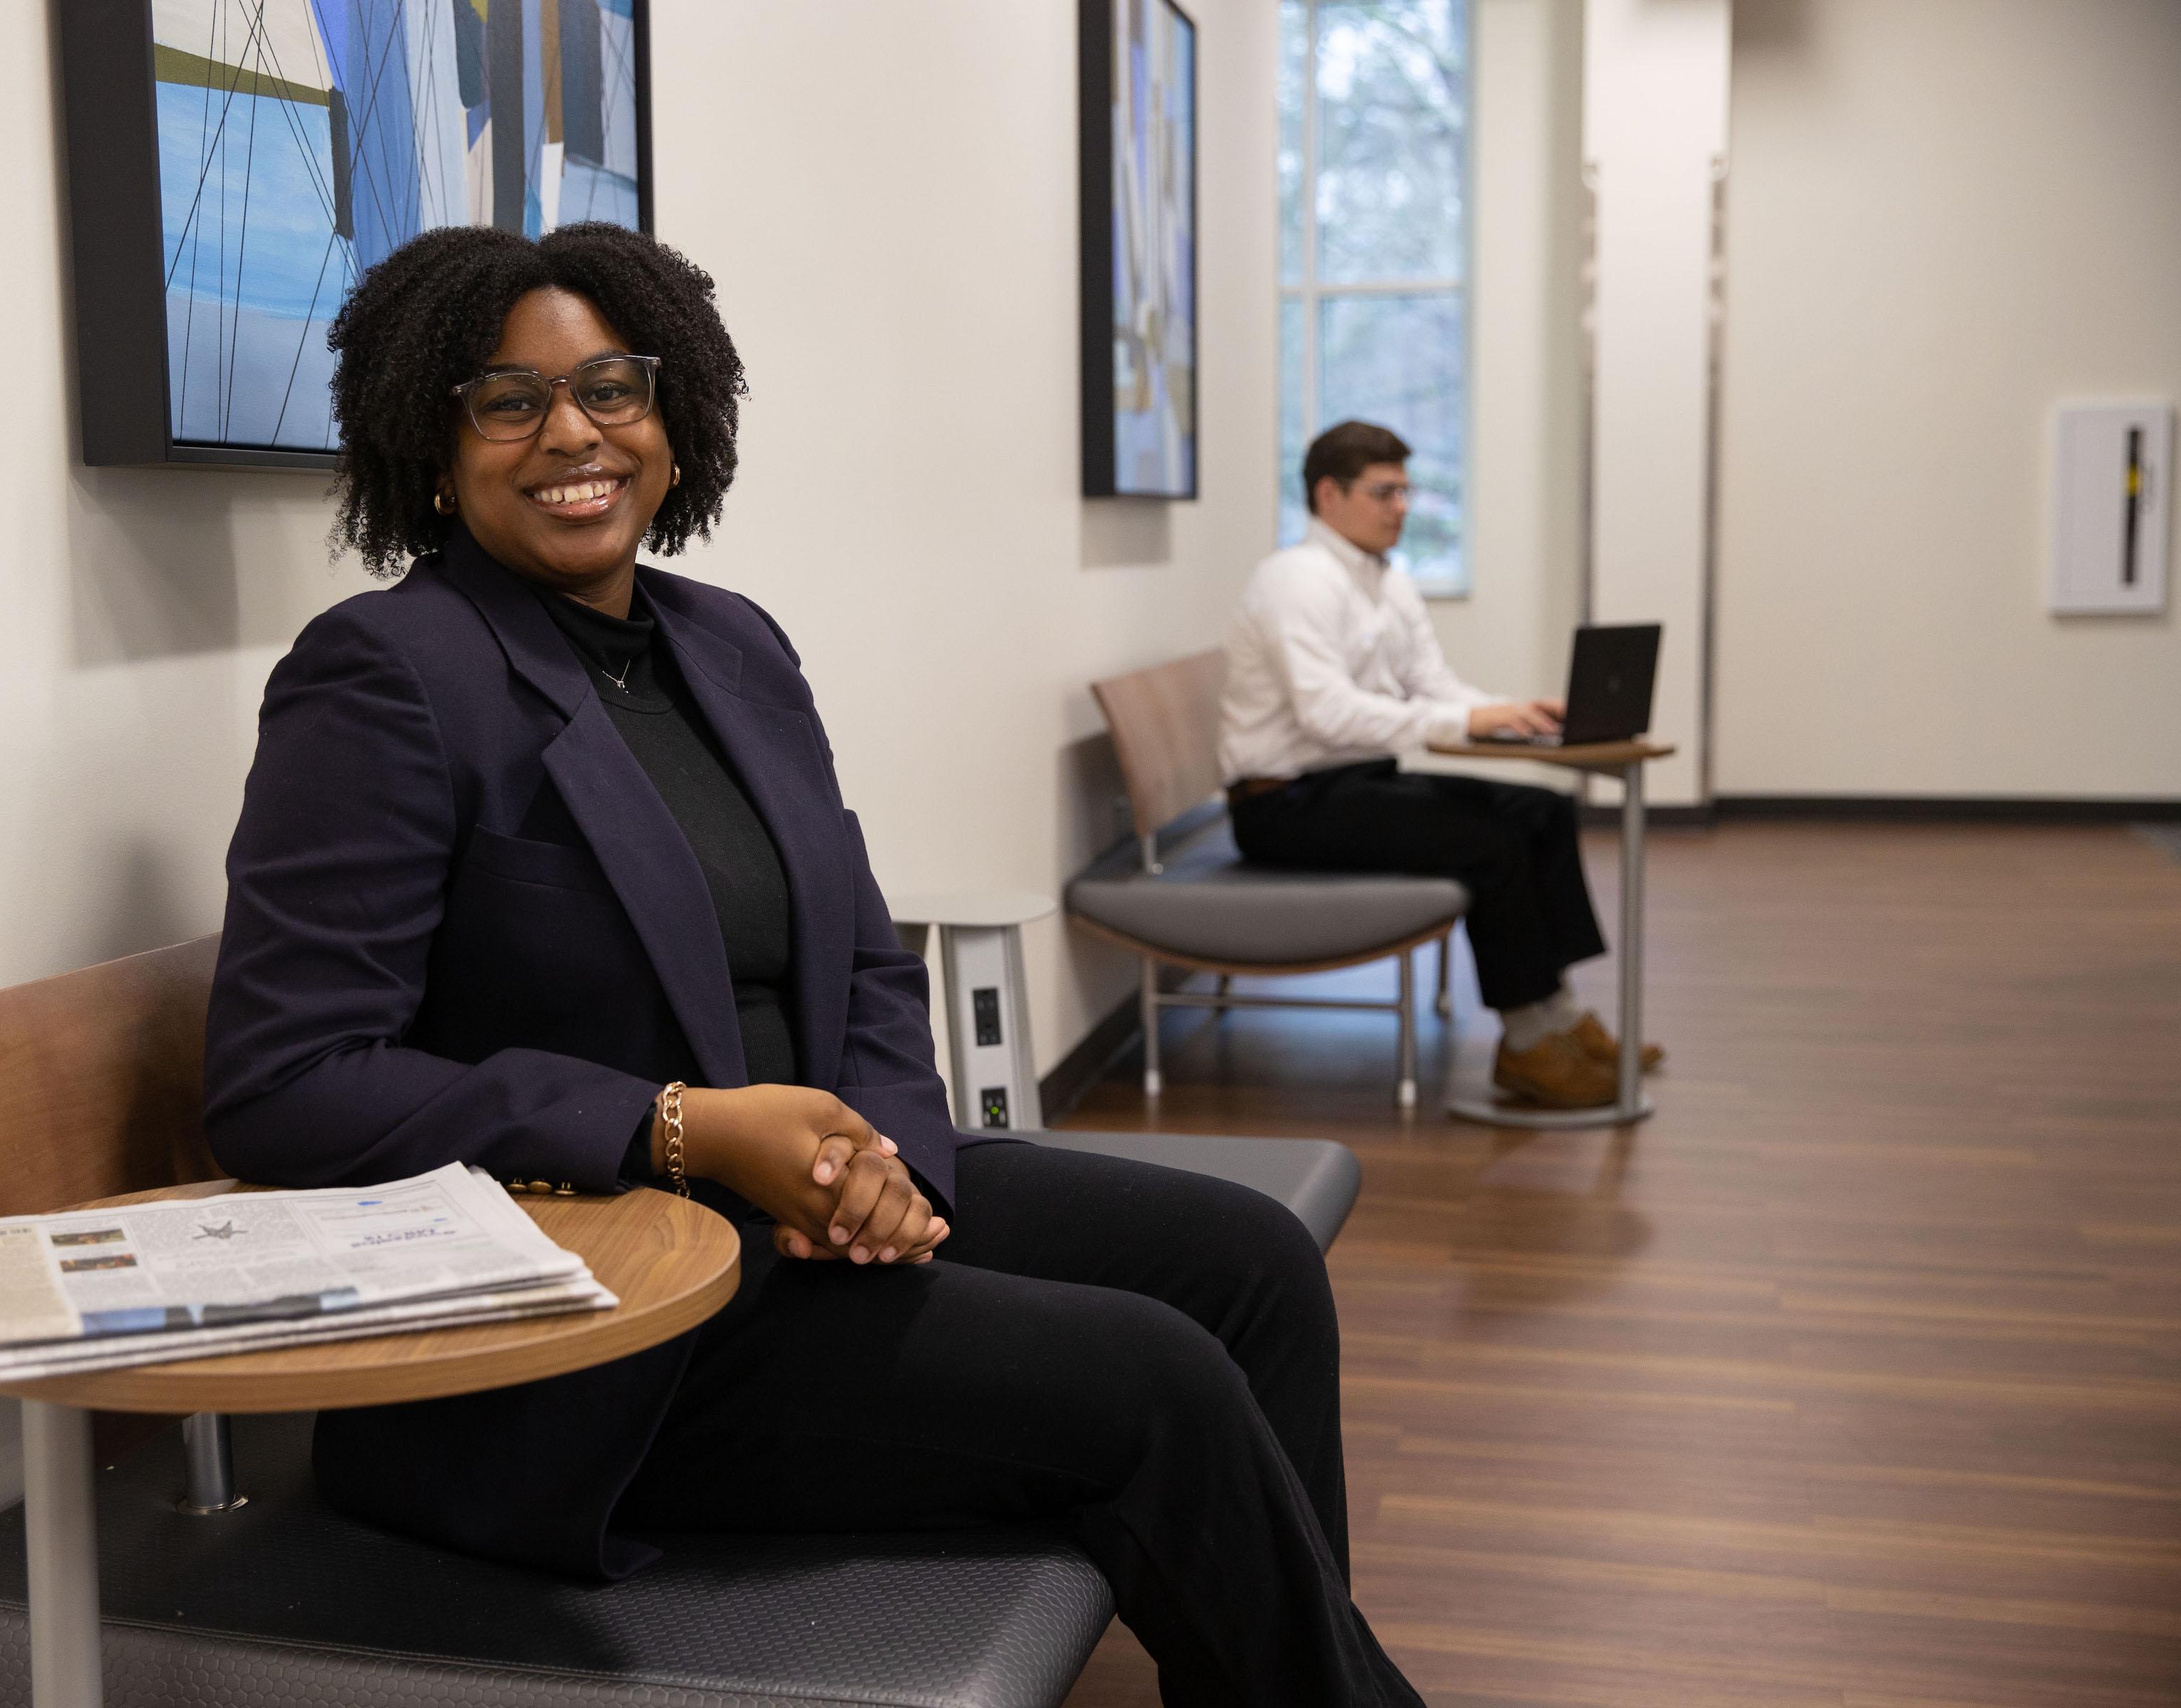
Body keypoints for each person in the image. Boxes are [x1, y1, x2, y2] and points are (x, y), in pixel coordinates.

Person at [202, 224, 1425, 1706]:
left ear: (676, 412)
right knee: (1156, 1384)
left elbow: (860, 958)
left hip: (805, 1233)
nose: (572, 433)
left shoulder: (732, 646)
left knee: (1254, 1267)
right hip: (608, 1332)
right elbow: (288, 1083)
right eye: (507, 400)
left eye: (609, 385)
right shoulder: (387, 674)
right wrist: (677, 1125)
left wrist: (891, 1164)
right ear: (431, 438)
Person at [1218, 420, 1661, 1109]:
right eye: (1384, 492)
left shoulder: (1384, 580)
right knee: (1491, 842)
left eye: (1405, 492)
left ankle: (1562, 1019)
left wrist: (1514, 713)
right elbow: (1326, 714)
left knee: (1542, 809)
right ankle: (1525, 1046)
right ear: (1329, 495)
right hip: (1283, 805)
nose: (1402, 508)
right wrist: (1462, 721)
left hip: (1354, 781)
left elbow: (1431, 681)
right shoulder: (1294, 581)